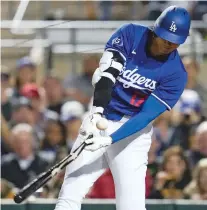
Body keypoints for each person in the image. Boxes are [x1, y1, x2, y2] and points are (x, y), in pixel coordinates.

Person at [54, 6, 191, 210]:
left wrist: (110, 139)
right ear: (155, 30)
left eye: (175, 41)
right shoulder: (130, 34)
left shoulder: (176, 74)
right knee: (69, 195)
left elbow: (145, 115)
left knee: (131, 206)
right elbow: (107, 76)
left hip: (133, 133)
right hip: (101, 119)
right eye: (165, 38)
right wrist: (96, 114)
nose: (170, 44)